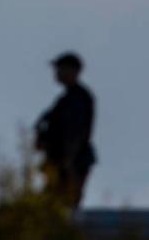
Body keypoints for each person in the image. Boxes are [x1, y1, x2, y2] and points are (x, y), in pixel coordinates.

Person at [35, 52, 96, 209]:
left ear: (73, 71)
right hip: (60, 161)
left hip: (69, 162)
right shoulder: (65, 100)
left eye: (61, 69)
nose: (57, 73)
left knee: (64, 205)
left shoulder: (78, 98)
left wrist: (69, 161)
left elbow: (75, 132)